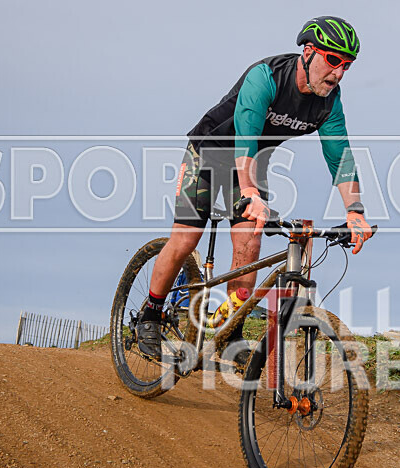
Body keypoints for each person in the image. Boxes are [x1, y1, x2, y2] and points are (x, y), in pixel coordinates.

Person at [137, 16, 372, 360]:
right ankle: (151, 314)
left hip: (253, 161)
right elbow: (244, 137)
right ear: (308, 52)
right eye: (333, 60)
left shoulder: (329, 102)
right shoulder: (265, 77)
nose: (338, 72)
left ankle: (229, 332)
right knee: (187, 238)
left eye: (346, 65)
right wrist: (249, 193)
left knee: (249, 246)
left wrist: (355, 212)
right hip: (209, 152)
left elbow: (340, 156)